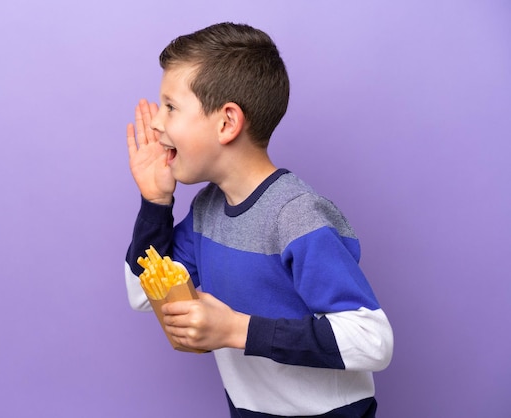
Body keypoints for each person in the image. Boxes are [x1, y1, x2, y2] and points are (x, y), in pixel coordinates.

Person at [123, 22, 393, 418]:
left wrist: (236, 329)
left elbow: (373, 341)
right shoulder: (207, 212)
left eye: (171, 107)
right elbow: (143, 294)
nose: (158, 123)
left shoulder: (297, 215)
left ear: (227, 123)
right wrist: (155, 202)